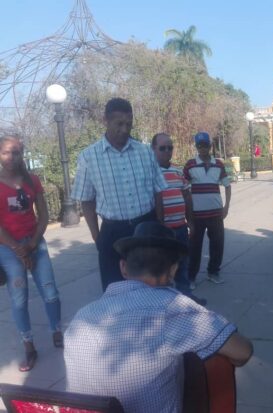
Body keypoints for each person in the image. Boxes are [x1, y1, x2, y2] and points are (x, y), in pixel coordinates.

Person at [64, 221, 253, 412]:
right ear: (172, 270)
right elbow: (242, 352)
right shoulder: (171, 310)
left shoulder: (82, 317)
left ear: (123, 267)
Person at [71, 98, 166, 291]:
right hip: (112, 233)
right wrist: (97, 237)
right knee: (115, 290)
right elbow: (87, 201)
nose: (124, 129)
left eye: (128, 124)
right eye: (119, 124)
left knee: (151, 286)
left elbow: (158, 192)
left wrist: (159, 225)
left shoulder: (145, 152)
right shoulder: (89, 157)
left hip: (146, 227)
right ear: (105, 120)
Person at [0, 136, 62, 372]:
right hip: (7, 248)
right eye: (6, 152)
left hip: (35, 242)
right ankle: (29, 345)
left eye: (16, 152)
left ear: (22, 154)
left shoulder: (32, 180)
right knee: (19, 300)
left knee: (50, 291)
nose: (11, 157)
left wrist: (33, 244)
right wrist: (18, 249)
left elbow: (43, 215)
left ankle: (57, 330)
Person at [151, 132, 206, 305]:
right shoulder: (149, 172)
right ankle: (166, 302)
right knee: (163, 266)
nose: (167, 151)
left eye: (170, 147)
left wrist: (190, 221)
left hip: (181, 227)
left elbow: (187, 195)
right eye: (163, 148)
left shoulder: (177, 170)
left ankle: (186, 297)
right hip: (162, 229)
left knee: (183, 263)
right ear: (153, 149)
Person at [184, 132, 231, 288]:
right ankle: (191, 277)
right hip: (197, 215)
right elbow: (184, 189)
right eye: (199, 145)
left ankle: (213, 272)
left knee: (217, 244)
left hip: (216, 213)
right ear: (196, 147)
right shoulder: (190, 164)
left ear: (210, 146)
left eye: (205, 145)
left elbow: (227, 185)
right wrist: (188, 215)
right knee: (195, 247)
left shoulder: (218, 164)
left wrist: (226, 207)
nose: (203, 148)